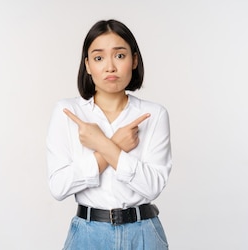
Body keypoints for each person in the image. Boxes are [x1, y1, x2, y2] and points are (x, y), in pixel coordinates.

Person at [46, 19, 172, 249]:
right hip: (87, 234)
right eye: (98, 57)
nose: (110, 67)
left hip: (143, 233)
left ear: (134, 60)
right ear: (87, 65)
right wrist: (114, 145)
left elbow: (152, 187)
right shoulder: (68, 112)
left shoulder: (154, 114)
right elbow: (59, 187)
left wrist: (102, 144)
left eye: (120, 56)